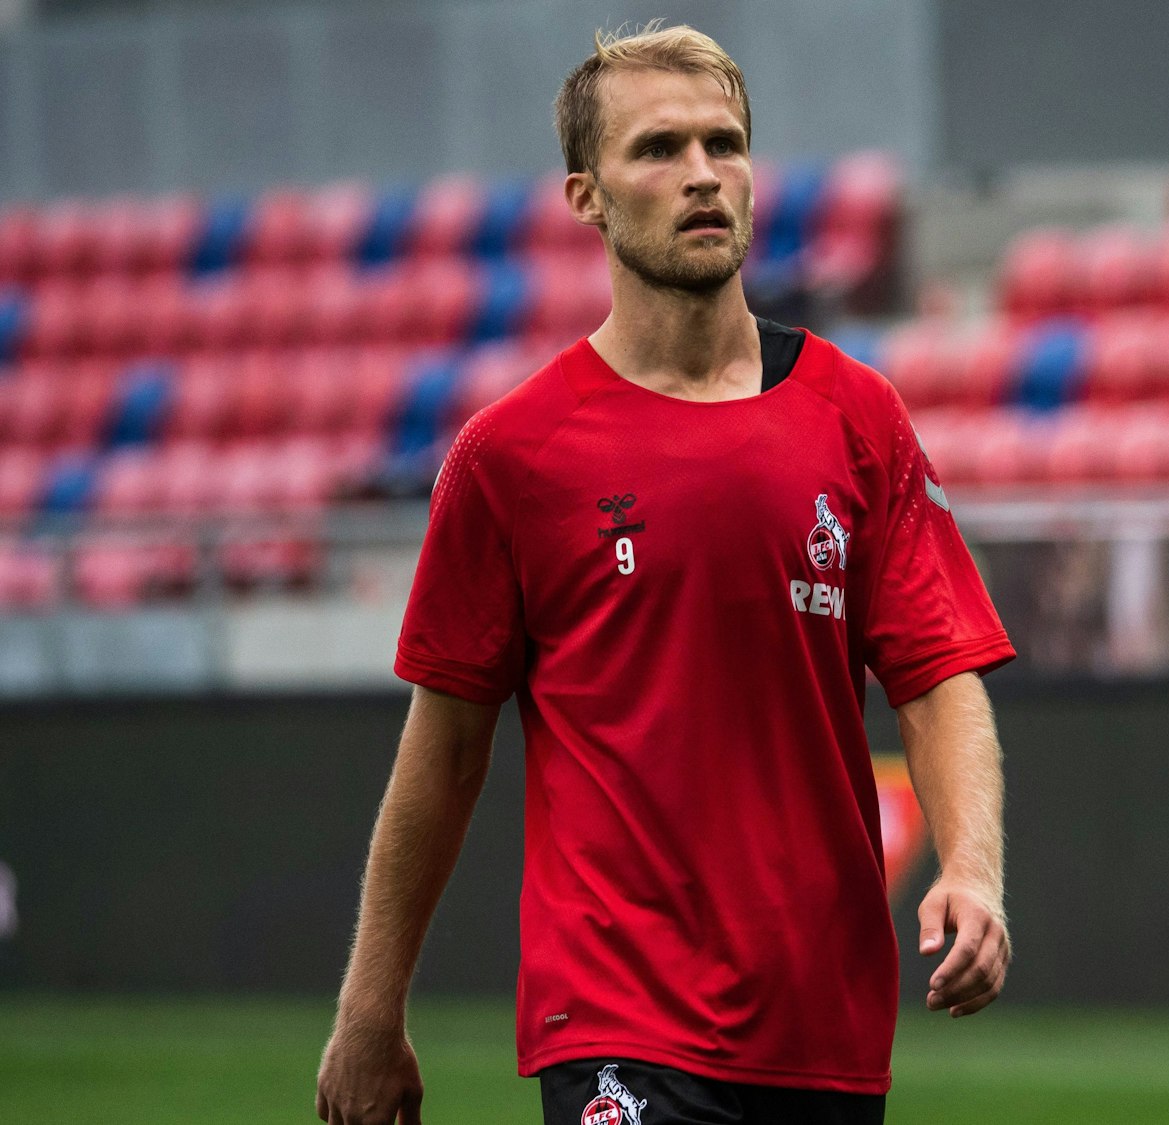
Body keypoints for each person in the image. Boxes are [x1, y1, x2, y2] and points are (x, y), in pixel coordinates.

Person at [315, 22, 1015, 1125]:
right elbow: (444, 752)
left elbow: (937, 680)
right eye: (658, 149)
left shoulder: (857, 417)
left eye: (723, 144)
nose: (701, 175)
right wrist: (369, 1008)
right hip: (614, 1020)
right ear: (585, 196)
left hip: (822, 1030)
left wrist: (972, 870)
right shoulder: (511, 458)